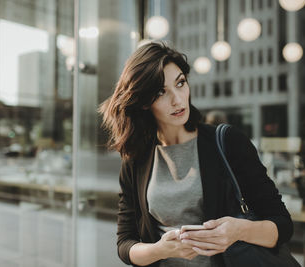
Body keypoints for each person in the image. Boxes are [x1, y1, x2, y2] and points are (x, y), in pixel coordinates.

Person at [99, 42, 293, 267]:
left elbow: (283, 225)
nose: (177, 100)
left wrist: (239, 230)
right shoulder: (136, 158)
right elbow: (125, 243)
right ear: (143, 102)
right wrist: (158, 250)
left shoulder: (228, 142)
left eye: (180, 83)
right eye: (161, 92)